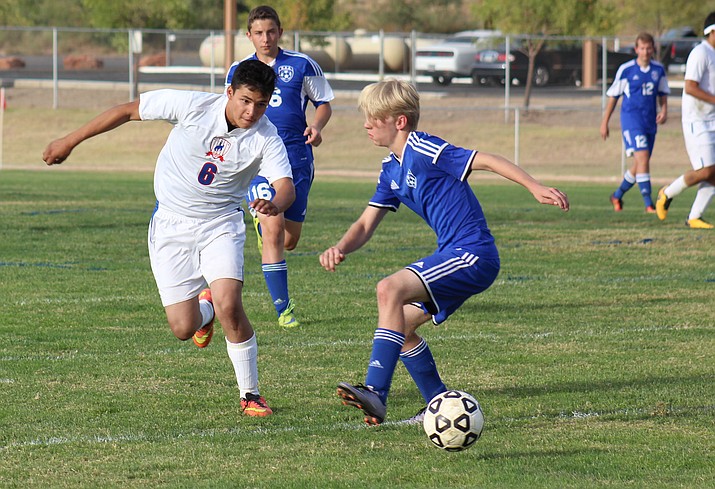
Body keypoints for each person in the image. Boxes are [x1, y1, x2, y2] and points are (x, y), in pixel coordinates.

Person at [42, 60, 296, 417]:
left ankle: (250, 394)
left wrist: (275, 203)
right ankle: (202, 313)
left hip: (220, 224)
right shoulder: (192, 105)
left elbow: (286, 187)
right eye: (245, 100)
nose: (251, 111)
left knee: (230, 305)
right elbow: (128, 110)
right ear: (229, 93)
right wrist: (70, 140)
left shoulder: (266, 137)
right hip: (171, 226)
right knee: (182, 327)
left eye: (261, 103)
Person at [319, 80, 570, 425]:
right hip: (455, 253)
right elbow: (365, 224)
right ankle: (438, 402)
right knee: (401, 325)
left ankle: (376, 392)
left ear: (400, 121)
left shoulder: (424, 148)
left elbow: (487, 160)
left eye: (374, 118)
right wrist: (340, 248)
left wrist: (534, 186)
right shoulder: (390, 169)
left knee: (388, 289)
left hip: (473, 253)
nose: (366, 124)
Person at [225, 5, 334, 327]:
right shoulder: (239, 69)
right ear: (248, 36)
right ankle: (283, 310)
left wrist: (317, 127)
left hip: (296, 158)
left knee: (289, 239)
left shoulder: (301, 65)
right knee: (273, 228)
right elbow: (228, 109)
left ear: (280, 32)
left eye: (271, 32)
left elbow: (323, 103)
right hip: (255, 159)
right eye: (258, 33)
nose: (265, 38)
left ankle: (266, 228)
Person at [655, 11, 715, 229]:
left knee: (714, 174)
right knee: (707, 171)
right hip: (696, 121)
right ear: (712, 31)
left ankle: (694, 217)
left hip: (712, 120)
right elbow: (690, 87)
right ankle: (666, 193)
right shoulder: (701, 53)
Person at [600, 32, 669, 214]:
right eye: (642, 48)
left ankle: (617, 195)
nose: (645, 52)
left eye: (648, 48)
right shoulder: (627, 70)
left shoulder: (658, 70)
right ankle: (649, 204)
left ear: (653, 49)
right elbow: (614, 97)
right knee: (643, 158)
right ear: (636, 49)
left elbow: (663, 94)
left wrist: (664, 111)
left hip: (650, 122)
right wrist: (604, 122)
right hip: (632, 121)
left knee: (639, 164)